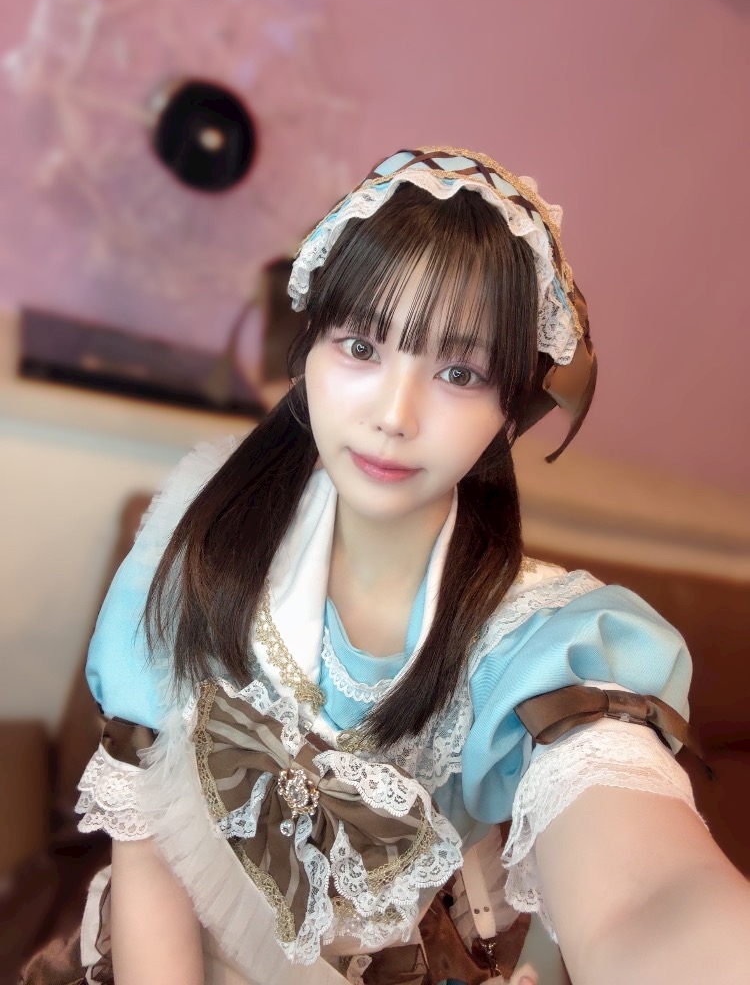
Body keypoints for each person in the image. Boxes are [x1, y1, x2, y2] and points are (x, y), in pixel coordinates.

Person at [27, 148, 750, 985]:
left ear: (509, 409)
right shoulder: (198, 542)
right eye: (362, 345)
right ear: (309, 349)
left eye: (458, 372)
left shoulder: (538, 644)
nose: (394, 415)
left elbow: (645, 895)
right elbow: (148, 847)